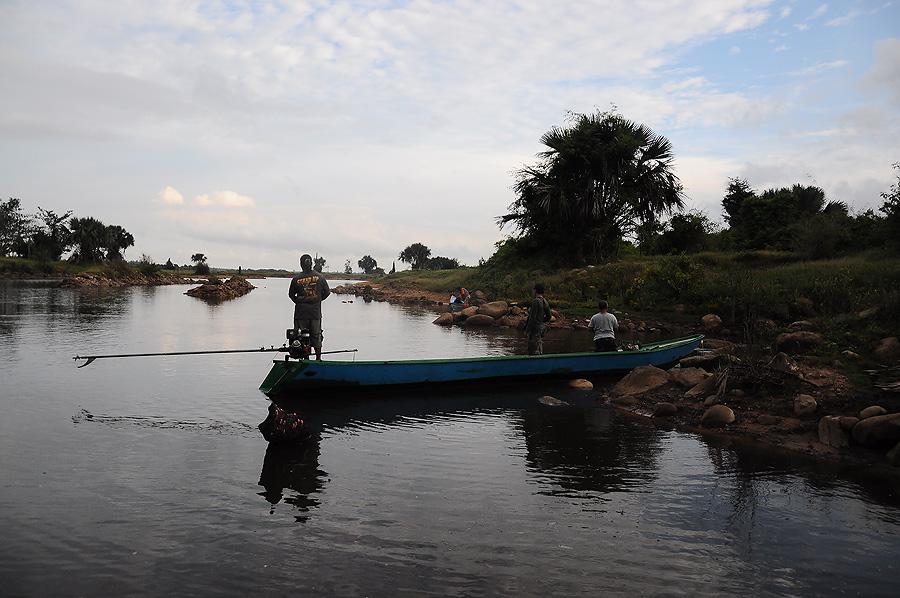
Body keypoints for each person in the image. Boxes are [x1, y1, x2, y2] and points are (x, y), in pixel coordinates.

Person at [288, 254, 331, 360]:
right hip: (315, 313)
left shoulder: (296, 279)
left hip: (301, 313)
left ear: (301, 264)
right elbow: (327, 292)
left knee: (301, 336)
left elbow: (291, 295)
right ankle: (318, 359)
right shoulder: (320, 277)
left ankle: (305, 360)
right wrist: (317, 300)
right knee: (316, 336)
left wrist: (299, 302)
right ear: (311, 264)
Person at [524, 282, 552, 355]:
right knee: (539, 347)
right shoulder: (545, 301)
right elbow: (549, 316)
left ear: (535, 291)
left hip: (535, 329)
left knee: (533, 350)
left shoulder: (535, 301)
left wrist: (527, 330)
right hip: (541, 328)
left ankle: (535, 365)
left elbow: (532, 317)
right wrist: (541, 322)